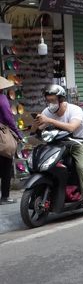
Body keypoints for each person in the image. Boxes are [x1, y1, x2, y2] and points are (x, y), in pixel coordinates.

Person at [34, 84, 83, 217]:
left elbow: (72, 128)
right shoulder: (47, 112)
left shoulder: (75, 110)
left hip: (81, 144)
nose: (50, 104)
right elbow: (39, 129)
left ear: (61, 100)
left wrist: (49, 120)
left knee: (81, 167)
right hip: (59, 144)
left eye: (53, 101)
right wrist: (37, 124)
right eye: (48, 101)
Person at [0, 76, 22, 205]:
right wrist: (18, 133)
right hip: (2, 136)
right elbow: (9, 119)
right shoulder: (2, 99)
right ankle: (5, 197)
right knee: (6, 167)